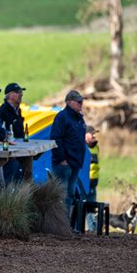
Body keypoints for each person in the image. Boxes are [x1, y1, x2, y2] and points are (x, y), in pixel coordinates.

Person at [50, 90, 87, 218]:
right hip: (64, 164)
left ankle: (65, 223)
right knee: (61, 195)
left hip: (75, 163)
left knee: (70, 194)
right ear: (69, 102)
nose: (81, 104)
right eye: (78, 101)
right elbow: (56, 139)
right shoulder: (62, 117)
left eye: (82, 101)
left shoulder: (79, 119)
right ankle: (59, 223)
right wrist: (62, 159)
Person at [0, 83, 26, 183]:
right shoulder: (1, 112)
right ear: (9, 95)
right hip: (9, 155)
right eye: (18, 92)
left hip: (19, 151)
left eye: (21, 92)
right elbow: (0, 133)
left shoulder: (18, 110)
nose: (21, 94)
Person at [86, 125, 100, 232]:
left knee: (92, 205)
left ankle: (92, 229)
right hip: (85, 181)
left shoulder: (96, 147)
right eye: (92, 133)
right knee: (86, 206)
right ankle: (90, 230)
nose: (94, 136)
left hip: (94, 181)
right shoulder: (82, 147)